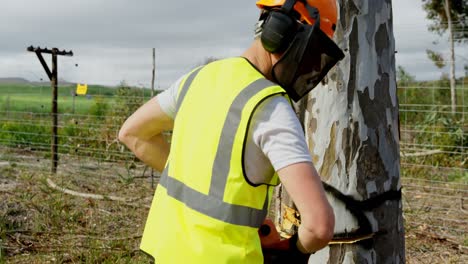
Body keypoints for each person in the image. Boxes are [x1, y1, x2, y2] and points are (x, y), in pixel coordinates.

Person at [118, 0, 344, 263]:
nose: (312, 67)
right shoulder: (271, 108)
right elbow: (319, 226)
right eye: (312, 52)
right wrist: (293, 251)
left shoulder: (198, 78)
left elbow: (133, 134)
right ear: (280, 32)